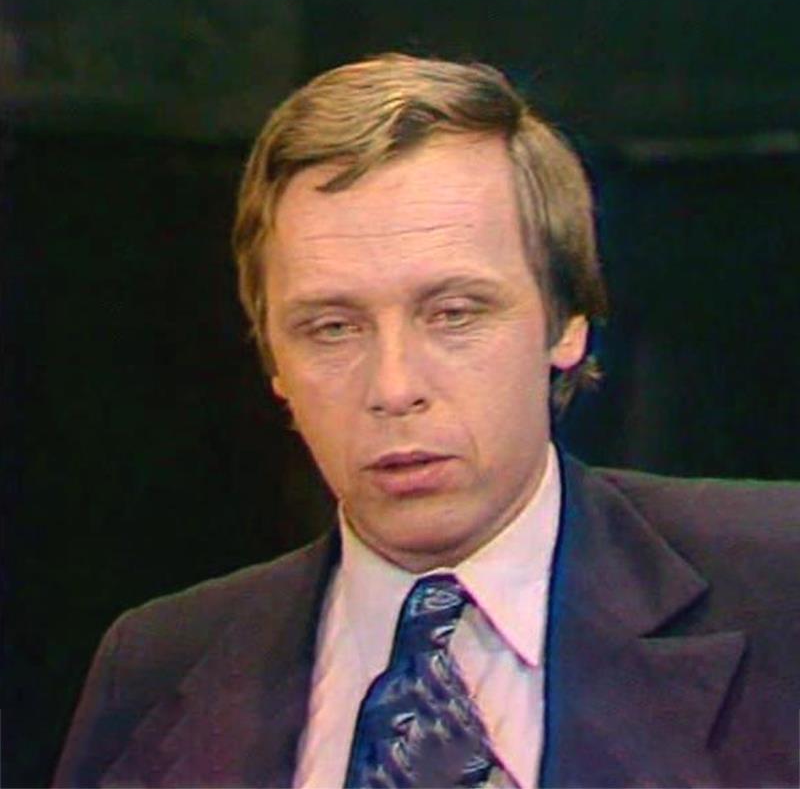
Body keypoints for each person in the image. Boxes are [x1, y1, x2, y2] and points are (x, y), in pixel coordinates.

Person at [54, 54, 799, 788]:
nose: (394, 387)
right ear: (274, 359)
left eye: (453, 314)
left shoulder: (778, 590)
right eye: (332, 329)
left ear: (567, 320)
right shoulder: (153, 670)